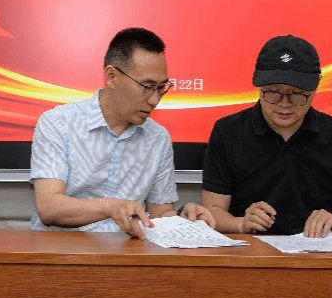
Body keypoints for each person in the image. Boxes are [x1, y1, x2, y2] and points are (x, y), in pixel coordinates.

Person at [30, 27, 214, 238]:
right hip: (63, 248)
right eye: (147, 87)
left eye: (161, 88)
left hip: (129, 250)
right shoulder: (58, 123)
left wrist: (185, 218)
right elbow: (50, 207)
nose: (154, 100)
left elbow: (160, 212)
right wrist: (111, 207)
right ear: (112, 76)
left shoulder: (158, 137)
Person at [201, 34, 332, 237]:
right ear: (259, 87)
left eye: (298, 94)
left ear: (316, 86)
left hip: (314, 251)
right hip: (248, 250)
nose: (284, 104)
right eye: (273, 92)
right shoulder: (228, 131)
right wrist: (241, 224)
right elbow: (212, 212)